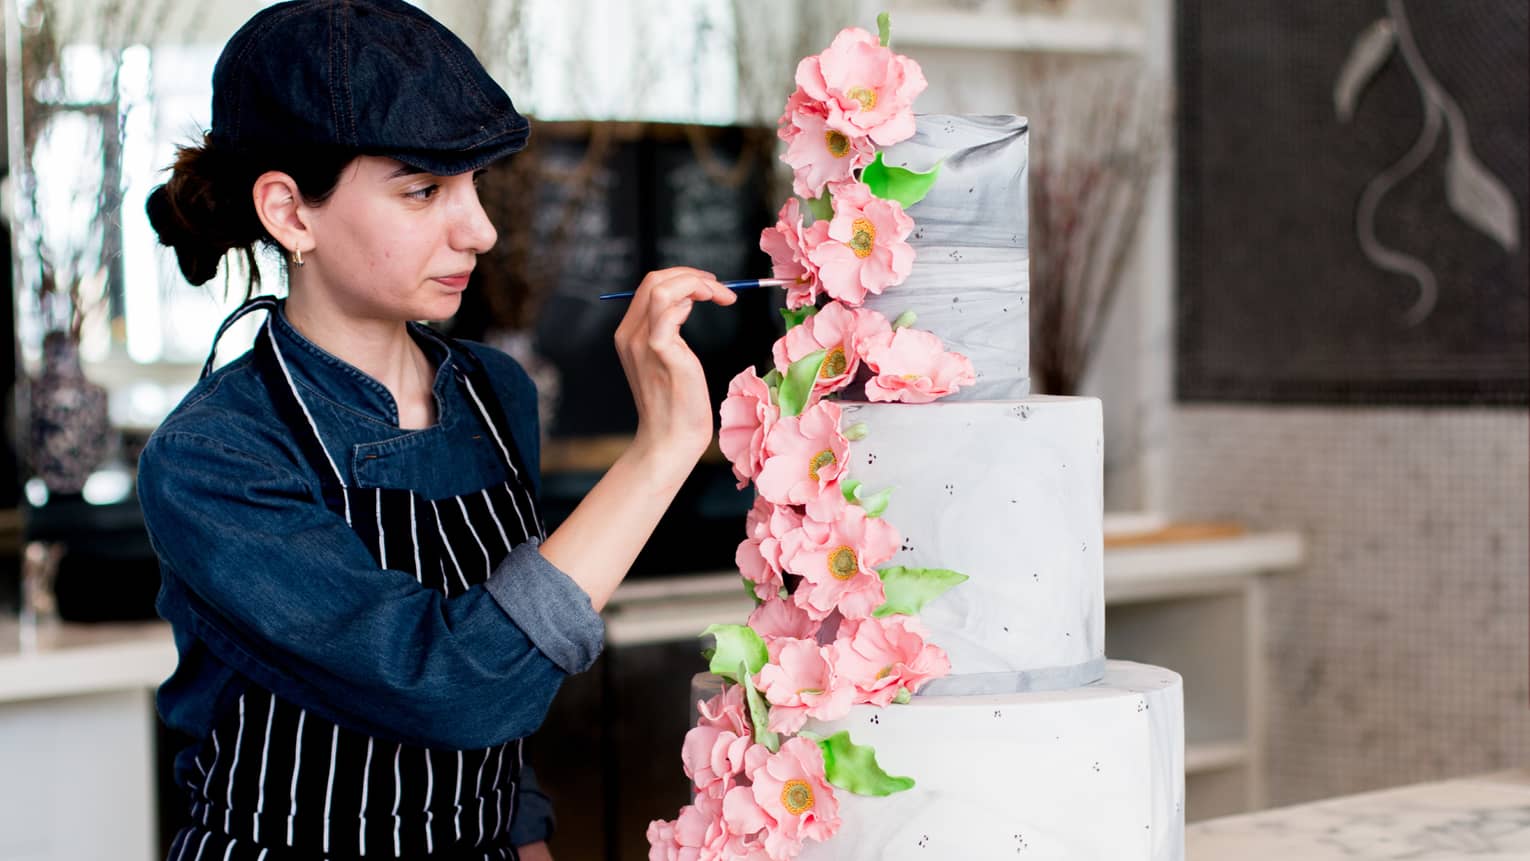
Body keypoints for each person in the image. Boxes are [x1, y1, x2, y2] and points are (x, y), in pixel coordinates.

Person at [137, 1, 736, 858]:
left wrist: (525, 839)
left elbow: (508, 692)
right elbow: (456, 685)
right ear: (291, 213)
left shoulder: (495, 393)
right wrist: (662, 452)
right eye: (424, 190)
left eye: (474, 185)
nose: (481, 231)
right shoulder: (215, 455)